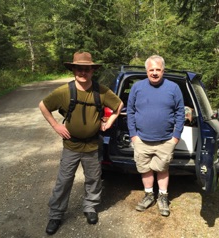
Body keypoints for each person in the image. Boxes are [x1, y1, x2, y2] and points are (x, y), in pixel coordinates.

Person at [39, 51, 123, 235]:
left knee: (93, 179)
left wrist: (109, 121)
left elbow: (119, 105)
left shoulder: (100, 91)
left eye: (86, 69)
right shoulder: (64, 91)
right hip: (71, 145)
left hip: (93, 145)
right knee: (64, 181)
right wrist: (55, 126)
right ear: (74, 69)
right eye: (79, 69)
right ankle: (56, 214)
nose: (82, 73)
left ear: (92, 70)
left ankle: (90, 208)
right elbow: (43, 106)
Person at [127, 55, 185, 217]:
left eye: (157, 69)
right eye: (151, 69)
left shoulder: (173, 88)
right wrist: (133, 135)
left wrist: (175, 137)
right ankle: (148, 195)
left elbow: (180, 113)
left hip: (166, 140)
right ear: (147, 70)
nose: (154, 73)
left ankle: (163, 197)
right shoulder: (137, 87)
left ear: (163, 70)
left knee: (162, 168)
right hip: (141, 140)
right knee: (144, 168)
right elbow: (130, 111)